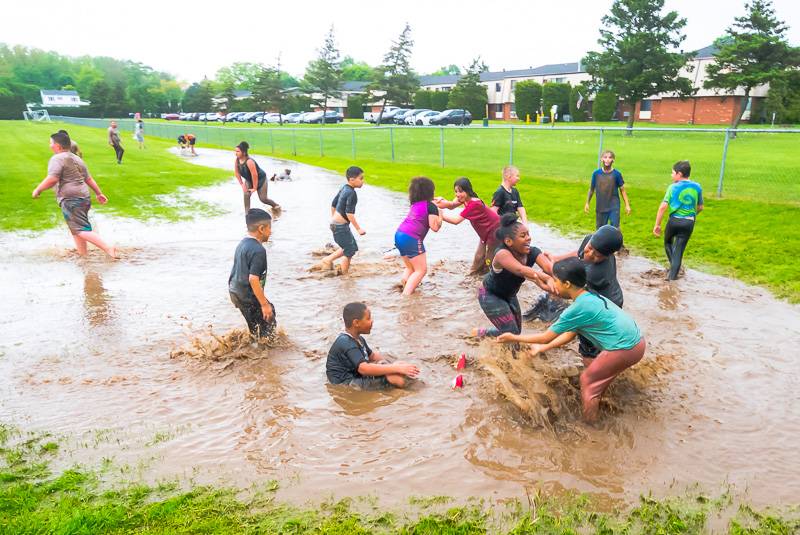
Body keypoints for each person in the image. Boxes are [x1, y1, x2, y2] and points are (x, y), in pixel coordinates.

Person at [498, 257, 646, 423]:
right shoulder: (589, 296)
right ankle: (598, 401)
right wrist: (541, 349)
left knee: (587, 380)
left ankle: (591, 426)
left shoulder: (576, 309)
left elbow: (546, 336)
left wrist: (514, 337)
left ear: (567, 284)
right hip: (637, 342)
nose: (553, 284)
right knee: (596, 379)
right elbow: (570, 334)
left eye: (555, 280)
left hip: (624, 348)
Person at [528, 225, 624, 360]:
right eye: (590, 248)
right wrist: (557, 258)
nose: (590, 255)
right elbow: (579, 255)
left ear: (608, 255)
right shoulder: (589, 240)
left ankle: (592, 372)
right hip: (597, 297)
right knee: (578, 330)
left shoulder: (596, 273)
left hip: (606, 304)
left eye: (597, 255)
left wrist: (545, 285)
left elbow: (568, 291)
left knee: (589, 345)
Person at [32, 131, 116, 258]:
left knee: (79, 229)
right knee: (76, 229)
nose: (50, 146)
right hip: (83, 197)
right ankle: (83, 255)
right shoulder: (76, 158)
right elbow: (89, 179)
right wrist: (99, 193)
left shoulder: (57, 158)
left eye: (51, 143)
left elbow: (52, 179)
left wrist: (38, 189)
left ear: (58, 146)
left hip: (71, 199)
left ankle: (108, 248)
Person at [473, 214, 555, 338]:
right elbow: (520, 270)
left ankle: (485, 335)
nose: (528, 238)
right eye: (523, 236)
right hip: (490, 295)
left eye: (528, 234)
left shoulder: (532, 252)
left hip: (510, 295)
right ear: (509, 241)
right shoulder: (502, 254)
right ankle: (480, 334)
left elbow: (549, 268)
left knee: (516, 332)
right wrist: (547, 278)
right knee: (511, 332)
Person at [326, 302, 420, 389]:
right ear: (356, 323)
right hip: (346, 383)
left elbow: (373, 356)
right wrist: (396, 368)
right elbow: (364, 369)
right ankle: (420, 392)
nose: (372, 321)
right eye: (368, 318)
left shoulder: (359, 339)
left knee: (391, 364)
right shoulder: (346, 342)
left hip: (356, 375)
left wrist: (397, 364)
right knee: (395, 378)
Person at [435, 177, 501, 274]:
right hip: (485, 232)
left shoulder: (473, 204)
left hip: (495, 231)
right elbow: (451, 205)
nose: (457, 194)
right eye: (456, 191)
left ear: (468, 190)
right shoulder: (465, 199)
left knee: (489, 261)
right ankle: (472, 278)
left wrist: (440, 214)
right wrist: (436, 200)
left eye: (460, 191)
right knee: (479, 257)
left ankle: (490, 279)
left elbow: (456, 221)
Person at [228, 209, 276, 340]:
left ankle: (253, 345)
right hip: (247, 295)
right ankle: (265, 351)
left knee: (255, 326)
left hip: (235, 292)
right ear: (261, 228)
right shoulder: (259, 250)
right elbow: (253, 279)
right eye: (269, 228)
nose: (271, 232)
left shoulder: (242, 243)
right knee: (269, 316)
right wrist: (264, 304)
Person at [653, 160, 703, 280]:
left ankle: (671, 276)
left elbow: (663, 207)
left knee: (668, 242)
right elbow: (700, 207)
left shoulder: (673, 187)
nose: (671, 175)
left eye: (672, 173)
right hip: (689, 222)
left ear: (679, 174)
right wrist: (691, 216)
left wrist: (657, 225)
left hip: (674, 221)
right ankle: (673, 275)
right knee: (679, 250)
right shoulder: (697, 187)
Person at [394, 177, 442, 295]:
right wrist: (440, 215)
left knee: (411, 268)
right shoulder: (431, 207)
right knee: (421, 270)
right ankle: (406, 297)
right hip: (411, 238)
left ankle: (403, 286)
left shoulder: (415, 204)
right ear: (430, 191)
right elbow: (434, 227)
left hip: (399, 235)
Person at [320, 166, 366, 275]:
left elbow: (333, 204)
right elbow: (349, 213)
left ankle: (328, 260)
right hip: (340, 226)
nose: (363, 181)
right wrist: (359, 229)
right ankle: (344, 277)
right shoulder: (352, 193)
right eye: (361, 178)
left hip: (336, 225)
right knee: (349, 251)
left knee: (352, 247)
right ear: (352, 180)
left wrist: (334, 218)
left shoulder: (344, 187)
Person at [584, 150, 631, 229]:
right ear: (601, 159)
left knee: (615, 229)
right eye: (605, 157)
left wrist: (627, 205)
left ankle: (616, 241)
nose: (607, 159)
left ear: (613, 160)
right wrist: (587, 203)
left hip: (614, 206)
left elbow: (622, 190)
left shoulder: (616, 174)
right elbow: (591, 189)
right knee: (600, 230)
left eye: (610, 157)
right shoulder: (596, 174)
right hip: (601, 206)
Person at [234, 141, 281, 215]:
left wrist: (255, 188)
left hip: (260, 179)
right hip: (249, 180)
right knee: (246, 194)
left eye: (237, 151)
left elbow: (254, 175)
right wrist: (242, 184)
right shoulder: (237, 160)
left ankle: (276, 206)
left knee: (263, 199)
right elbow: (236, 173)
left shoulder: (249, 161)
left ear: (243, 152)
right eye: (235, 151)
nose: (235, 153)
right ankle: (247, 214)